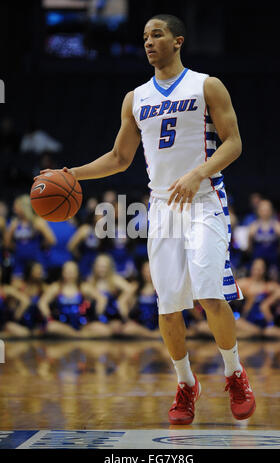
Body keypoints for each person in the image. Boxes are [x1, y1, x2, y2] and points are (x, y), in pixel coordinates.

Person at [37, 14, 255, 424]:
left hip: (205, 198)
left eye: (157, 35)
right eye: (144, 37)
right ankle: (186, 384)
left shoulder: (206, 85)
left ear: (178, 41)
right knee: (169, 306)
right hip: (162, 207)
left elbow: (234, 143)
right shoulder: (135, 98)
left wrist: (197, 174)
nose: (149, 42)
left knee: (210, 294)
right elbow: (120, 158)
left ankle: (235, 373)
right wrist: (71, 174)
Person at [38, 261, 108, 338]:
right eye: (67, 271)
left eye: (72, 271)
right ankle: (76, 335)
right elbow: (42, 302)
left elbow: (102, 299)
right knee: (51, 327)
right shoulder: (56, 287)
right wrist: (48, 316)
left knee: (105, 330)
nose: (70, 274)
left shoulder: (83, 287)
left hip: (83, 324)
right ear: (63, 272)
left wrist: (97, 314)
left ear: (77, 273)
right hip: (62, 325)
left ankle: (78, 335)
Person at [4, 195, 56, 284]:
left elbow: (51, 240)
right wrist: (18, 248)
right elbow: (7, 243)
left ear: (24, 207)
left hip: (36, 259)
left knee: (38, 287)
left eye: (16, 206)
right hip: (19, 261)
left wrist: (41, 246)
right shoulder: (15, 223)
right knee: (17, 286)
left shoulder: (38, 221)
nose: (14, 209)